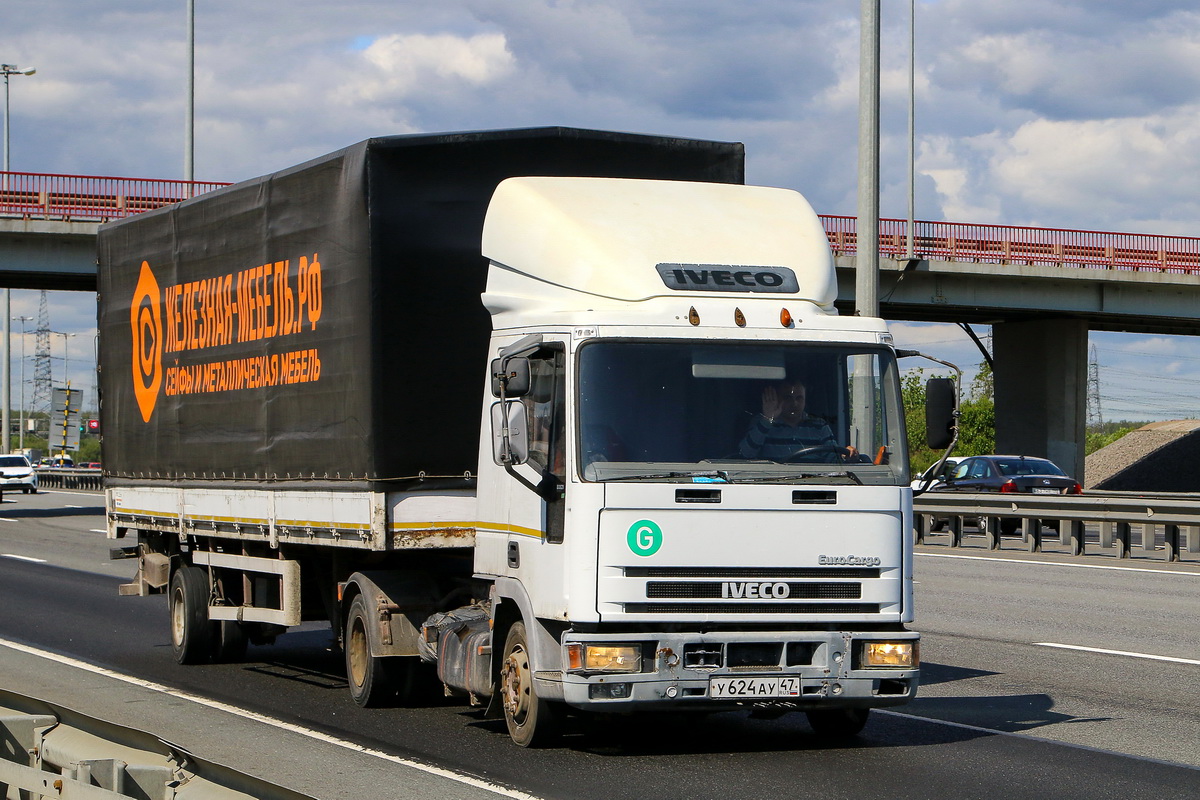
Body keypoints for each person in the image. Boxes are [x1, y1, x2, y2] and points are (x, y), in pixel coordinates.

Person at [738, 379, 855, 461]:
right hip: (772, 483)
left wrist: (846, 455)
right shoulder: (762, 422)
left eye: (799, 398)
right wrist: (768, 419)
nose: (794, 403)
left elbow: (833, 461)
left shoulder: (819, 425)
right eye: (787, 398)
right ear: (777, 399)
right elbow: (746, 454)